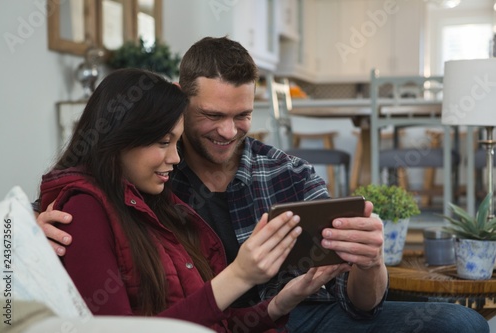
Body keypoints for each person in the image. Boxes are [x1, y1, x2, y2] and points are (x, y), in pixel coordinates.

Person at [37, 38, 489, 332]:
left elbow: (360, 307)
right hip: (219, 321)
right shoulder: (148, 179)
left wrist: (370, 265)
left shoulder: (289, 174)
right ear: (179, 100)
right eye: (212, 116)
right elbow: (80, 200)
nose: (229, 131)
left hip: (294, 316)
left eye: (243, 115)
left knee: (458, 324)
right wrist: (28, 237)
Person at [37, 68, 348, 332]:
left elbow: (211, 322)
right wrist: (239, 275)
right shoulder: (84, 210)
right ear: (119, 139)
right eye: (163, 143)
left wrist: (282, 301)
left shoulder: (154, 205)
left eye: (176, 142)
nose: (175, 158)